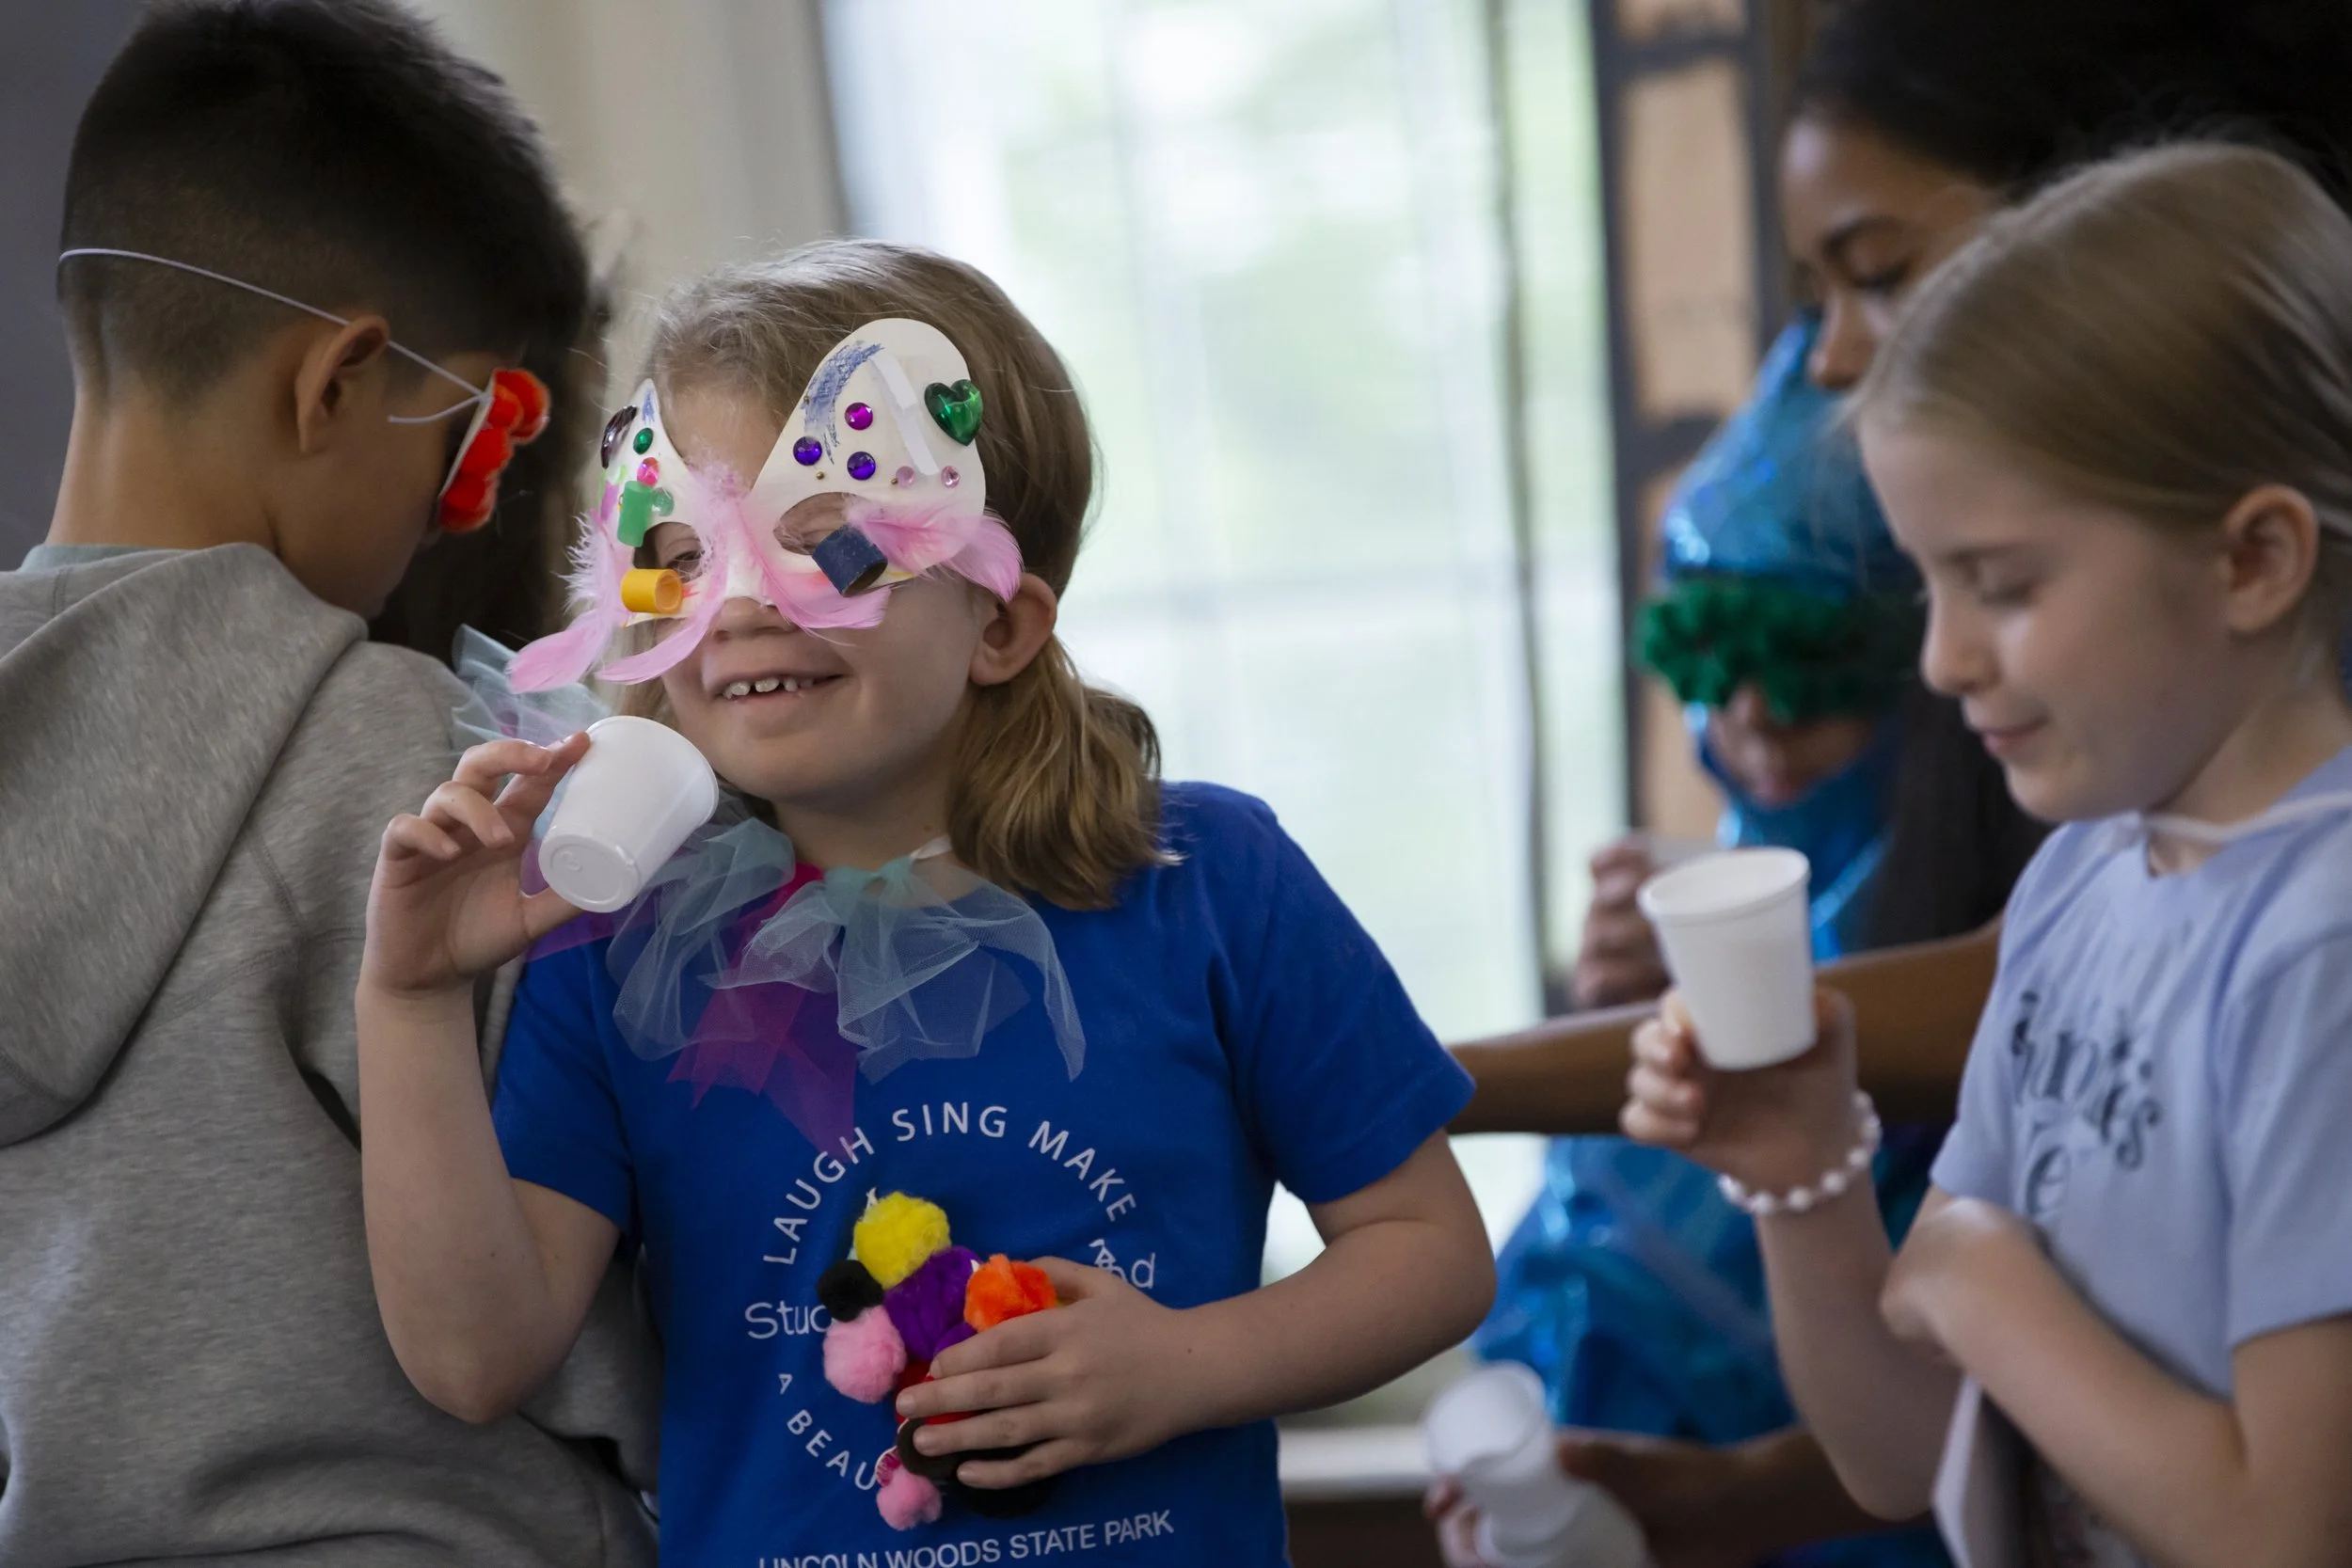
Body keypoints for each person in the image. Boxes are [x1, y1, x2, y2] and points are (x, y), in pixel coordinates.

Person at [353, 239, 1499, 1562]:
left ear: (1002, 621)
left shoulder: (1214, 886)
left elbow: (1430, 1246)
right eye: (681, 552)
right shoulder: (617, 948)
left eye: (831, 542)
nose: (737, 607)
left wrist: (1188, 1362)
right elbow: (471, 1358)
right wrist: (415, 995)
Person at [1445, 3, 2352, 1562]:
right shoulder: (2080, 881)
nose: (1940, 662)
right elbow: (1902, 1454)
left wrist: (1984, 1281)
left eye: (2000, 582)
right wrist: (1804, 1174)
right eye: (1927, 586)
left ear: (2253, 556)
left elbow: (2282, 1525)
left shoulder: (2319, 945)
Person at [0, 4, 657, 1564]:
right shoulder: (410, 767)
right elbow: (591, 1316)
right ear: (339, 382)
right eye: (477, 440)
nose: (455, 513)